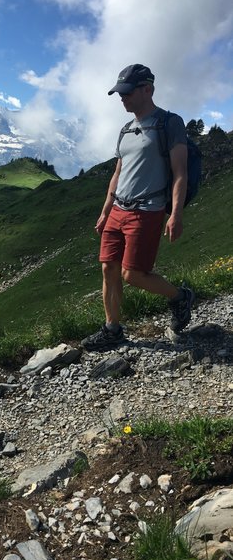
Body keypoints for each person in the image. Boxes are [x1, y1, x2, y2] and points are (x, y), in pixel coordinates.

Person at [81, 63, 195, 351]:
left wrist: (176, 215)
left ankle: (180, 297)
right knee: (108, 267)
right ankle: (112, 330)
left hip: (147, 211)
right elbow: (119, 173)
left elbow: (180, 172)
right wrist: (105, 210)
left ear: (148, 89)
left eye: (128, 92)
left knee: (133, 274)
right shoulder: (126, 129)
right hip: (118, 209)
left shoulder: (169, 123)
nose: (123, 98)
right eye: (120, 93)